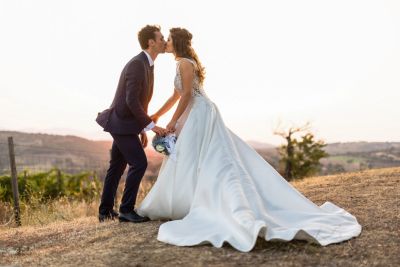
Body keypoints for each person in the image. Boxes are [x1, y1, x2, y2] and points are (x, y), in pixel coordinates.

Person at [137, 27, 362, 252]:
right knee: (191, 157)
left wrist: (172, 123)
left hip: (200, 114)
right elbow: (175, 95)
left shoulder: (185, 63)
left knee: (204, 157)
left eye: (168, 39)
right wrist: (158, 114)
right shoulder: (181, 63)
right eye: (163, 39)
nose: (165, 42)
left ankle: (205, 202)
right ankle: (189, 200)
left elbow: (186, 95)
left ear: (176, 42)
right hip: (193, 113)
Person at [96, 25, 167, 223]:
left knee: (117, 167)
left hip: (127, 124)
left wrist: (141, 129)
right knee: (139, 163)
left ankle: (105, 212)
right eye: (161, 38)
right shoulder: (137, 64)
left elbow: (139, 102)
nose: (164, 41)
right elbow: (131, 100)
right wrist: (151, 126)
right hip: (121, 122)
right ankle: (126, 210)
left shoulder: (148, 63)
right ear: (151, 42)